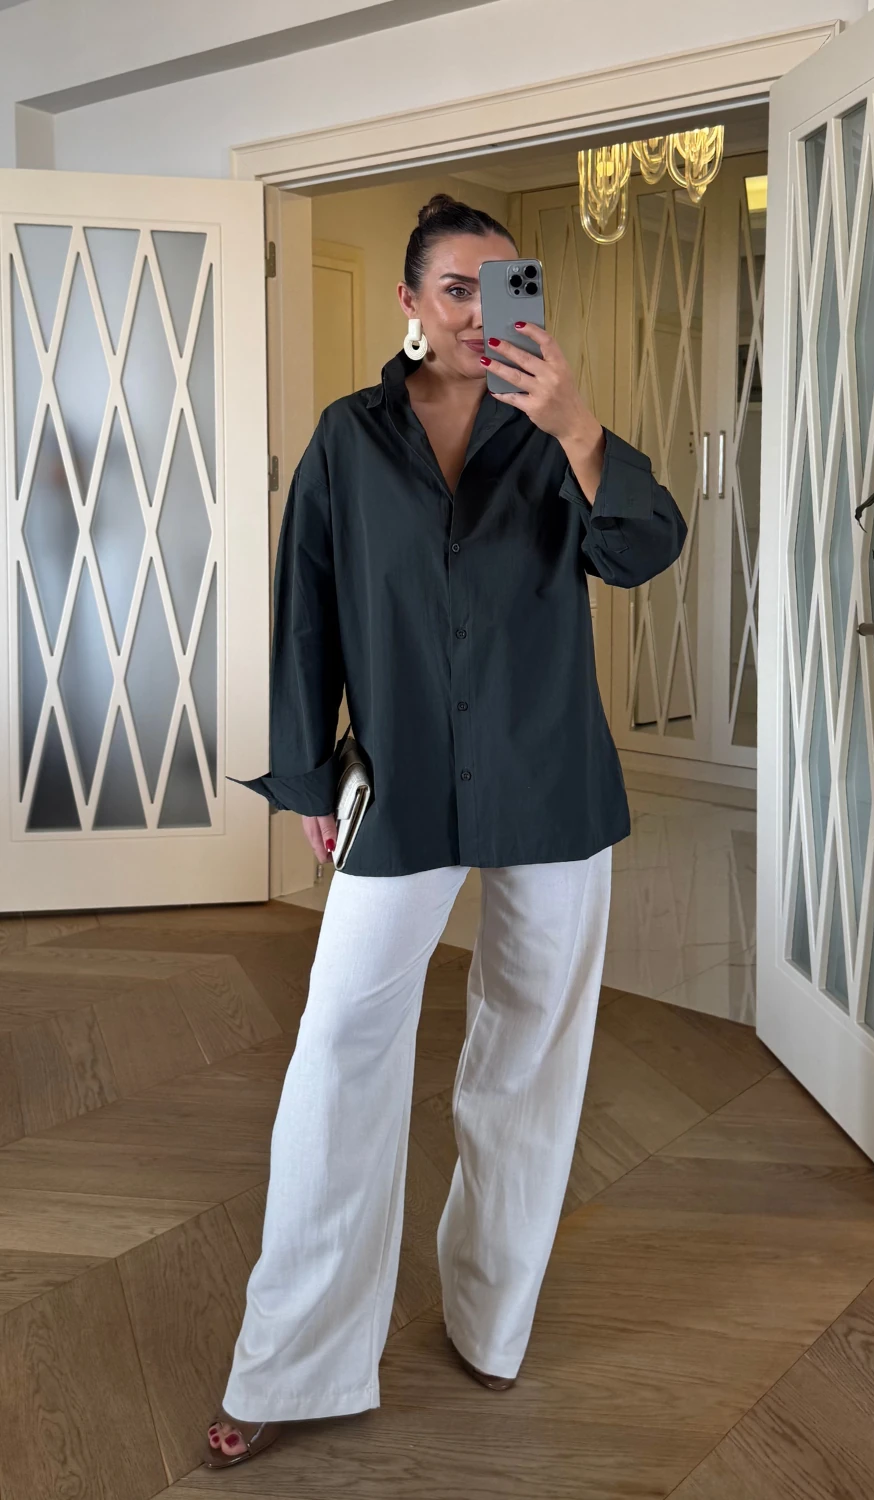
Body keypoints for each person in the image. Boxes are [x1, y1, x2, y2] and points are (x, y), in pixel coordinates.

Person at [203, 194, 687, 1468]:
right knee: (337, 1048)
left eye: (503, 287)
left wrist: (576, 426)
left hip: (550, 787)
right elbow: (306, 608)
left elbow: (643, 549)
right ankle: (292, 1361)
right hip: (403, 782)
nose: (480, 312)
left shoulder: (553, 435)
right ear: (410, 303)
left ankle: (490, 1318)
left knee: (527, 1058)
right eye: (457, 289)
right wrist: (308, 777)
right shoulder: (347, 439)